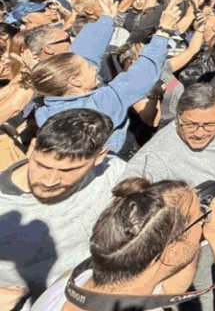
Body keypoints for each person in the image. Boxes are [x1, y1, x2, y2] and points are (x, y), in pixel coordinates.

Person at [120, 84, 215, 311]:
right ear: (177, 117)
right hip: (193, 244)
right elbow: (125, 203)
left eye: (209, 125)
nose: (199, 132)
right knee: (202, 299)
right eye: (189, 124)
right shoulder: (156, 155)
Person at [31, 178, 215, 311]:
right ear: (171, 251)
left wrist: (192, 236)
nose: (206, 218)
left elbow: (166, 281)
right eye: (200, 216)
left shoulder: (75, 280)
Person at [0, 110, 124, 308]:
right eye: (42, 165)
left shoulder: (114, 173)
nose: (50, 180)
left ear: (99, 157)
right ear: (31, 148)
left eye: (67, 171)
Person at [30, 3, 183, 157]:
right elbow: (140, 76)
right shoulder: (100, 104)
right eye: (88, 68)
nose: (95, 68)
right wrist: (162, 33)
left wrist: (106, 20)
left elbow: (84, 53)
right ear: (75, 81)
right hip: (112, 157)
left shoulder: (47, 107)